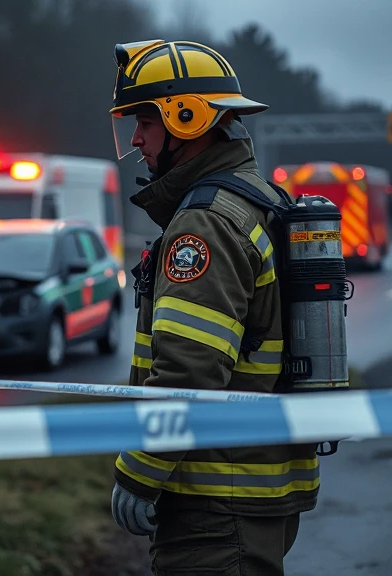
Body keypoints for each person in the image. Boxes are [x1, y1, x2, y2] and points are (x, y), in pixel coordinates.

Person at [107, 39, 321, 575]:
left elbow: (191, 372)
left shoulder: (204, 223)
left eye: (145, 122)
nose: (135, 139)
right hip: (247, 490)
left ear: (187, 119)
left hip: (215, 504)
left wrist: (139, 471)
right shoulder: (255, 199)